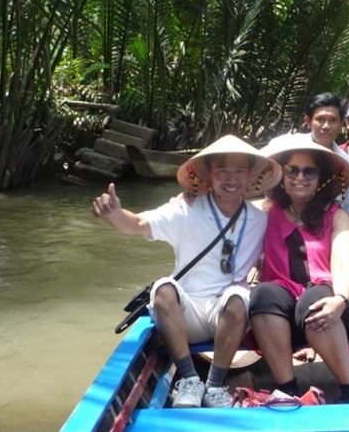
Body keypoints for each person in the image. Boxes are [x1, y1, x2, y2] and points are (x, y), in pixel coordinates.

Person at [92, 135, 282, 408]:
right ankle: (190, 379)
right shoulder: (185, 208)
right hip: (186, 316)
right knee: (163, 288)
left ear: (250, 176)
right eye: (223, 171)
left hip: (228, 317)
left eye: (240, 171)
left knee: (240, 296)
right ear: (209, 175)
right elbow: (137, 224)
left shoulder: (260, 218)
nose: (231, 179)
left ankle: (215, 385)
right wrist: (114, 214)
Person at [249, 134, 349, 404]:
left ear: (320, 179)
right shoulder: (262, 214)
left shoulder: (337, 216)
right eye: (293, 170)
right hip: (281, 318)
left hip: (333, 313)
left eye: (310, 171)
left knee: (316, 297)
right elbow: (225, 217)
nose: (301, 177)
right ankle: (288, 388)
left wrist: (340, 299)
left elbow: (345, 262)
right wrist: (191, 198)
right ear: (282, 177)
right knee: (262, 294)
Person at [302, 93, 349, 230]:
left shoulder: (344, 161)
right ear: (308, 121)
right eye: (320, 119)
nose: (326, 126)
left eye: (333, 120)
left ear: (341, 123)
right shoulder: (289, 148)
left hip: (329, 225)